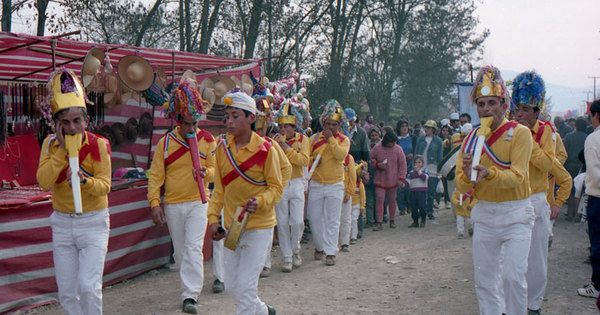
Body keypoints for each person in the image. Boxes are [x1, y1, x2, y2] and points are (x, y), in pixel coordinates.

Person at [455, 66, 534, 315]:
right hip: (485, 215)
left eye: (492, 102)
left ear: (503, 103)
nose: (486, 109)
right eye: (481, 103)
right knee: (485, 280)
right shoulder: (470, 139)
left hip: (516, 215)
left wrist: (489, 174)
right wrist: (469, 177)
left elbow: (518, 177)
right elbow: (461, 183)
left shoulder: (520, 134)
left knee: (513, 277)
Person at [37, 69, 112, 315]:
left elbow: (105, 186)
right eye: (65, 122)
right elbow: (44, 182)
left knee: (89, 287)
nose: (71, 128)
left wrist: (85, 182)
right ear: (56, 124)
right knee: (67, 293)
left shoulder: (98, 145)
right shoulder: (49, 145)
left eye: (76, 121)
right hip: (61, 223)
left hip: (93, 222)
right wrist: (60, 150)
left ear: (86, 121)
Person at [207, 89, 283, 315]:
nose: (229, 121)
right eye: (227, 116)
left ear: (251, 118)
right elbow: (219, 190)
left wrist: (260, 201)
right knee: (232, 286)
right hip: (232, 227)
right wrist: (213, 219)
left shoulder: (267, 150)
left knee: (246, 287)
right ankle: (263, 311)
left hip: (259, 226)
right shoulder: (222, 149)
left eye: (235, 116)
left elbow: (276, 188)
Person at [147, 79, 215, 314]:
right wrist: (154, 202)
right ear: (178, 121)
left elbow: (216, 169)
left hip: (199, 201)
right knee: (180, 252)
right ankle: (188, 288)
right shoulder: (165, 143)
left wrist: (208, 173)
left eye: (194, 123)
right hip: (174, 204)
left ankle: (190, 296)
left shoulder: (207, 139)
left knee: (194, 247)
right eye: (187, 124)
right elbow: (156, 176)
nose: (191, 128)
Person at [511, 71, 556, 315]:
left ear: (536, 111)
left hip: (537, 200)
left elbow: (548, 165)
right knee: (512, 259)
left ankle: (534, 305)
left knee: (537, 258)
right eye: (517, 108)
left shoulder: (545, 131)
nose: (519, 114)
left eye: (526, 109)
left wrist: (528, 138)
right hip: (513, 200)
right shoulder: (508, 130)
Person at [307, 100, 350, 266]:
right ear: (323, 122)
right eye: (328, 124)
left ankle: (331, 252)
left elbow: (340, 156)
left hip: (335, 184)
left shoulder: (344, 140)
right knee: (314, 218)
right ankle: (319, 246)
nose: (331, 127)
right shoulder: (313, 139)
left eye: (334, 124)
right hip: (316, 184)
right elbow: (306, 159)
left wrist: (331, 139)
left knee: (333, 220)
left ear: (339, 125)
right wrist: (312, 161)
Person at [273, 103, 309, 272]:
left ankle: (296, 249)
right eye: (281, 126)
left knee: (297, 222)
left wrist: (287, 149)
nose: (283, 129)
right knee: (282, 222)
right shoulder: (274, 141)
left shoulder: (303, 140)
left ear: (294, 126)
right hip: (281, 183)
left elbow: (304, 160)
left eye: (286, 126)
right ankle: (286, 257)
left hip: (296, 182)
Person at [578, 100, 600, 299]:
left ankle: (598, 285)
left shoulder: (594, 139)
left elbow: (593, 171)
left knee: (598, 242)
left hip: (598, 197)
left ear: (596, 116)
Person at [370, 129, 407, 230]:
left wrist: (401, 178)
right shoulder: (377, 148)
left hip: (393, 179)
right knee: (380, 200)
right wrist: (378, 165)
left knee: (392, 200)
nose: (394, 144)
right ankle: (379, 222)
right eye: (392, 142)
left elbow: (403, 165)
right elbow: (370, 160)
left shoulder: (398, 149)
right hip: (380, 179)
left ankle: (392, 220)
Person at [414, 120, 443, 219]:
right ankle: (421, 210)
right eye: (426, 127)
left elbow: (440, 157)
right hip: (421, 167)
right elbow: (416, 153)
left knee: (431, 191)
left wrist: (440, 171)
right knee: (420, 191)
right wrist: (416, 166)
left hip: (433, 168)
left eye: (429, 128)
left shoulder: (438, 141)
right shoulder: (420, 140)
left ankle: (430, 211)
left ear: (433, 130)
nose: (426, 129)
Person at [339, 153, 357, 251]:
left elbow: (352, 176)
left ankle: (345, 242)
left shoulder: (348, 158)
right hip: (332, 190)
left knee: (345, 218)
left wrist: (349, 192)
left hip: (344, 191)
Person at [396, 120, 414, 216]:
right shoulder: (397, 140)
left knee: (409, 187)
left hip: (411, 165)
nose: (404, 128)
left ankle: (409, 206)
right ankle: (401, 207)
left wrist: (412, 155)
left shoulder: (411, 138)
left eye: (406, 126)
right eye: (402, 126)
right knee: (400, 188)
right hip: (399, 166)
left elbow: (415, 150)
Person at [407, 156, 429, 228]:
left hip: (422, 191)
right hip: (413, 191)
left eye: (419, 162)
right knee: (413, 207)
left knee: (422, 206)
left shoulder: (424, 170)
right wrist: (402, 184)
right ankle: (415, 221)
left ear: (422, 163)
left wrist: (419, 171)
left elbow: (425, 178)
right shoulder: (411, 172)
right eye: (416, 162)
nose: (417, 164)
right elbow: (408, 180)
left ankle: (423, 219)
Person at [350, 162, 368, 243]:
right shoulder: (348, 184)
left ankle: (354, 236)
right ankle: (349, 235)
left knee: (354, 220)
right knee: (347, 221)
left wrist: (362, 206)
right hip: (348, 204)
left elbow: (363, 196)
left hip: (356, 205)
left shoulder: (360, 184)